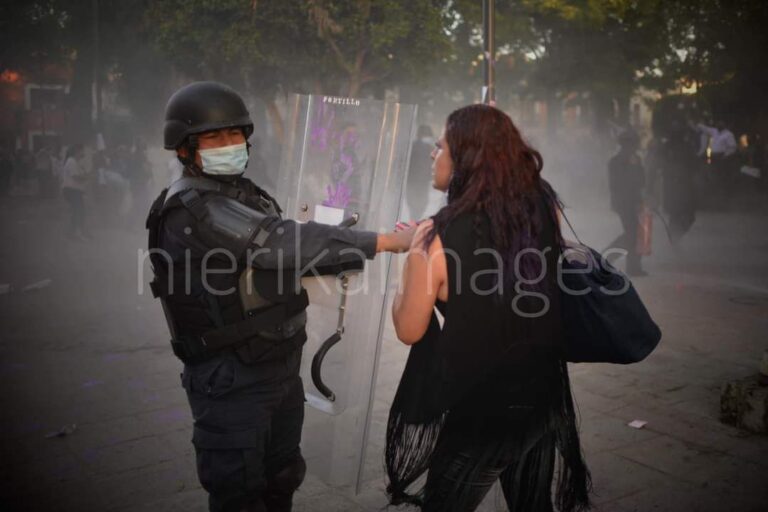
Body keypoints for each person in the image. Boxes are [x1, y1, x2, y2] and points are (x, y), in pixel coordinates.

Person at [146, 81, 415, 512]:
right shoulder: (193, 209)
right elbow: (280, 244)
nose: (229, 144)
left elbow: (289, 261)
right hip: (231, 377)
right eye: (214, 137)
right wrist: (379, 241)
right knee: (241, 495)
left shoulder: (244, 195)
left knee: (283, 476)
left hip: (278, 366)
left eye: (235, 135)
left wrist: (347, 254)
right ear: (183, 148)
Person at [385, 104, 590, 512]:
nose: (432, 153)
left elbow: (409, 329)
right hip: (541, 395)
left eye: (440, 146)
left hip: (483, 411)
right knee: (532, 505)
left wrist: (412, 260)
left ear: (465, 159)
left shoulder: (436, 237)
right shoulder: (542, 208)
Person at [606, 129, 647, 276]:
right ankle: (606, 259)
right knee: (632, 234)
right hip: (624, 203)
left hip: (633, 201)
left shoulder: (635, 160)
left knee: (633, 234)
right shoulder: (615, 162)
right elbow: (616, 184)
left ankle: (630, 265)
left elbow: (642, 181)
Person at [61, 144, 92, 240]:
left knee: (79, 211)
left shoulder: (76, 162)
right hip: (72, 190)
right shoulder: (71, 161)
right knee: (78, 211)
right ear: (77, 151)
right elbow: (75, 177)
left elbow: (80, 175)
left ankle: (77, 232)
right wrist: (87, 177)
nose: (84, 153)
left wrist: (86, 175)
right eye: (82, 151)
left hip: (75, 191)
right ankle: (76, 233)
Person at [405, 125, 435, 220]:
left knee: (416, 205)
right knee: (418, 204)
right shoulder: (427, 148)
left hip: (415, 181)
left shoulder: (413, 146)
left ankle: (413, 220)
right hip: (418, 182)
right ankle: (413, 221)